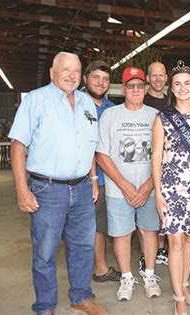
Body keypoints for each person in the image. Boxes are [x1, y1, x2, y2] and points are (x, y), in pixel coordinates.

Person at [9, 52, 106, 315]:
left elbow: (91, 147)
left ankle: (80, 296)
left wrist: (94, 180)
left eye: (76, 71)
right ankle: (45, 306)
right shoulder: (36, 100)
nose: (72, 75)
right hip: (47, 190)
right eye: (66, 69)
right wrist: (21, 189)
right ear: (53, 72)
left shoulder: (87, 103)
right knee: (45, 252)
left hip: (83, 187)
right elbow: (18, 145)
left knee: (83, 246)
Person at [151, 60, 190, 315]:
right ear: (171, 88)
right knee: (175, 241)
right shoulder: (163, 118)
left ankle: (185, 284)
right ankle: (178, 296)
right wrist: (158, 192)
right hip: (172, 187)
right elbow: (156, 156)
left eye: (187, 83)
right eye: (177, 84)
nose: (182, 88)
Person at [96, 67, 161, 302]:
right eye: (130, 86)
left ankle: (150, 275)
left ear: (146, 89)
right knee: (122, 235)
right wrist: (124, 185)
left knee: (149, 231)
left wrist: (147, 186)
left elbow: (163, 156)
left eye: (139, 85)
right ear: (123, 89)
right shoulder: (110, 116)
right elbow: (102, 154)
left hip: (149, 189)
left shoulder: (155, 115)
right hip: (117, 190)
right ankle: (126, 277)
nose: (135, 90)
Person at [82, 60, 121, 284]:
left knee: (100, 226)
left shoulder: (111, 109)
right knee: (83, 227)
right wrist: (93, 179)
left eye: (105, 79)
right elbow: (85, 145)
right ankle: (90, 271)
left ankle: (100, 269)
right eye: (96, 77)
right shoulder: (76, 104)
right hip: (86, 179)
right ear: (86, 78)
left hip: (109, 179)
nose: (101, 82)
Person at [140, 61, 169, 273]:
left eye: (161, 75)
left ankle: (162, 250)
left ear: (166, 78)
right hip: (146, 164)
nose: (158, 79)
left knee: (165, 211)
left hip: (170, 165)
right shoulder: (141, 99)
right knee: (149, 215)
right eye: (154, 76)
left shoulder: (172, 100)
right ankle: (147, 254)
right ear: (148, 79)